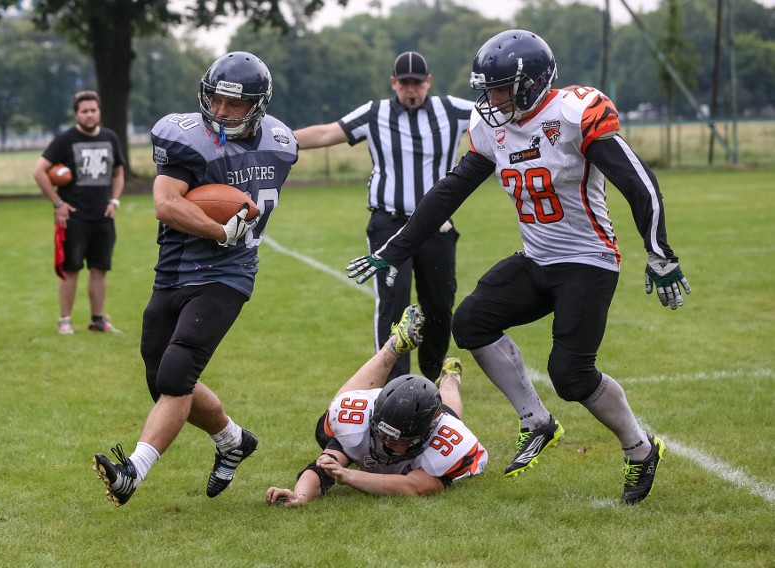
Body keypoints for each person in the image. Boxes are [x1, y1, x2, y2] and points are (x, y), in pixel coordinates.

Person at [346, 30, 692, 505]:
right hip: (536, 257)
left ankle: (639, 448)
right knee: (471, 323)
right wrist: (397, 245)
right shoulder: (493, 125)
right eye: (487, 89)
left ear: (532, 82)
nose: (492, 99)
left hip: (587, 261)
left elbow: (638, 181)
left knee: (571, 376)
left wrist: (660, 251)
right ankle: (536, 422)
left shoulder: (573, 111)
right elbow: (451, 189)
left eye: (502, 88)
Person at [91, 51, 298, 507]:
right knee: (159, 375)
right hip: (176, 269)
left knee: (178, 372)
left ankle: (132, 473)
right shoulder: (185, 138)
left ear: (258, 106)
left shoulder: (282, 142)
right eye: (214, 99)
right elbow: (166, 204)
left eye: (233, 104)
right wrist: (219, 228)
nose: (220, 111)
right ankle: (233, 439)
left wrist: (229, 235)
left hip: (230, 274)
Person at [294, 51, 473, 382]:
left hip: (436, 226)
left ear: (428, 82)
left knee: (439, 303)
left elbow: (496, 118)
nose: (411, 90)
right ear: (393, 83)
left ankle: (433, 373)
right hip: (389, 223)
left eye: (416, 83)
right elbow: (325, 134)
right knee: (394, 303)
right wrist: (276, 142)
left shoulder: (452, 110)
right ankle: (394, 380)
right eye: (404, 84)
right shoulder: (374, 113)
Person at [266, 305, 487, 507]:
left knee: (452, 413)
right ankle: (392, 346)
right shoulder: (363, 421)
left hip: (440, 421)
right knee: (327, 423)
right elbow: (322, 466)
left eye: (396, 440)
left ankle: (450, 377)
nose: (385, 442)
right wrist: (300, 496)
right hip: (383, 408)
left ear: (423, 436)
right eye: (382, 433)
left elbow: (411, 486)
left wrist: (349, 476)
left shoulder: (445, 441)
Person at [33, 90, 125, 334]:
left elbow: (118, 173)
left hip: (103, 216)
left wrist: (114, 201)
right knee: (70, 269)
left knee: (100, 268)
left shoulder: (110, 137)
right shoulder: (65, 140)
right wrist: (57, 203)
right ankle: (65, 320)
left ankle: (98, 320)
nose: (89, 114)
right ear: (76, 114)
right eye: (84, 111)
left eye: (93, 110)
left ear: (99, 111)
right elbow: (39, 171)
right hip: (74, 218)